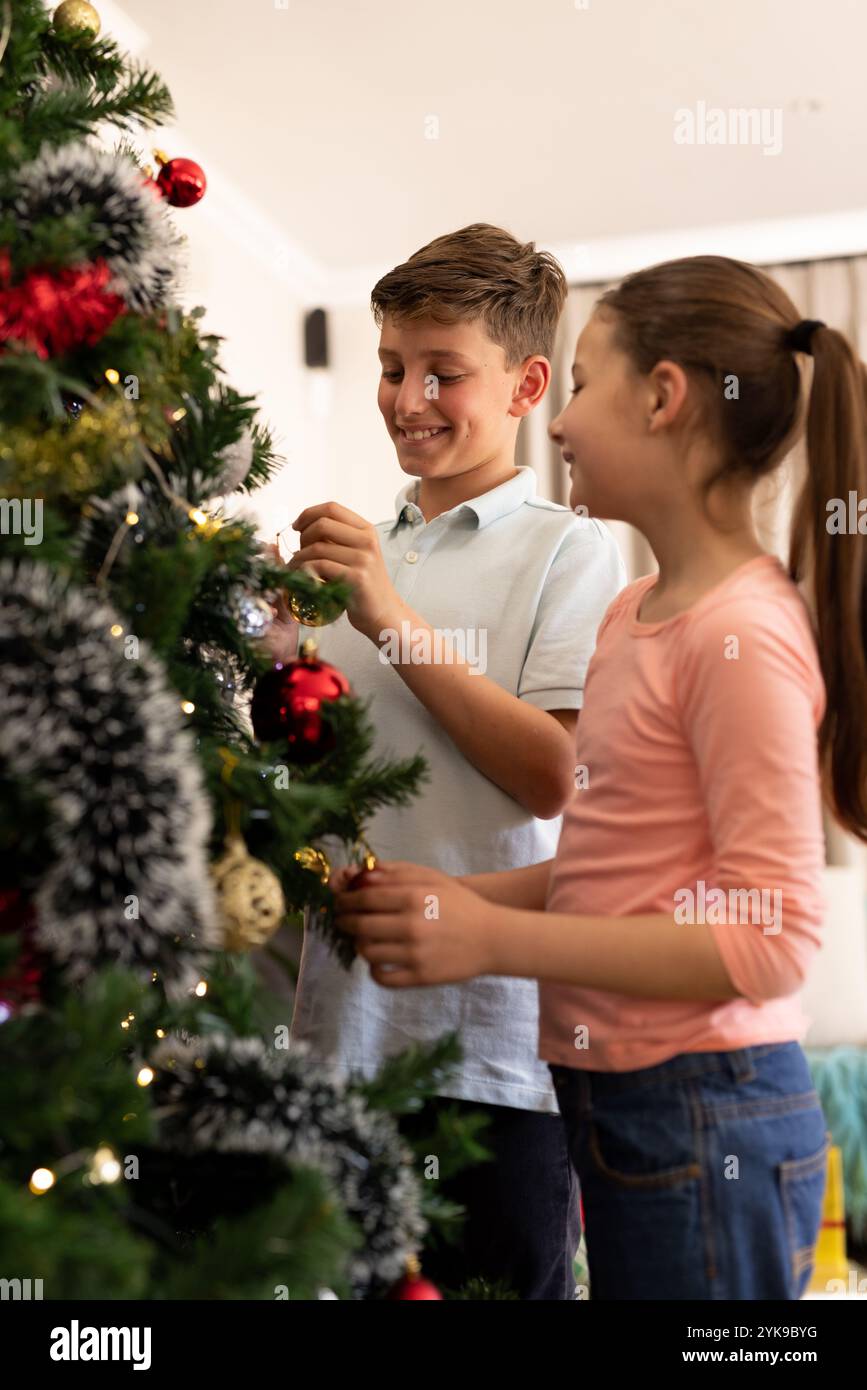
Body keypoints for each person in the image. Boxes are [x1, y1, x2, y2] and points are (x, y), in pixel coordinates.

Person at [334, 254, 867, 1299]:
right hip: (614, 1100)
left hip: (711, 1110)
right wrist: (449, 901)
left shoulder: (744, 635)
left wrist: (492, 937)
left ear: (665, 399)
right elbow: (604, 864)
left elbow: (772, 938)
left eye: (581, 384)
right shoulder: (633, 616)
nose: (563, 423)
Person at [262, 224, 625, 1299]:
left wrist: (385, 616)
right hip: (333, 1041)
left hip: (492, 1060)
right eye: (389, 366)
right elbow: (321, 773)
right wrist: (282, 662)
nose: (406, 396)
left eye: (441, 372)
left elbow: (551, 774)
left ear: (526, 383)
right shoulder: (361, 552)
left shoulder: (573, 547)